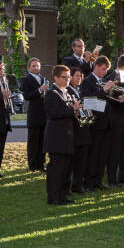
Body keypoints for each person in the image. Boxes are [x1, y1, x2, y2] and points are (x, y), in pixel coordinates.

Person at [44, 65, 80, 205]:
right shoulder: (52, 93)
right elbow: (54, 114)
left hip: (67, 136)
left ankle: (63, 196)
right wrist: (73, 110)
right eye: (64, 77)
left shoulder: (66, 92)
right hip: (56, 138)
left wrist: (76, 111)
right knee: (56, 169)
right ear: (56, 78)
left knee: (66, 169)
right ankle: (53, 197)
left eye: (68, 77)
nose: (67, 80)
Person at [80, 55, 117, 190]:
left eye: (106, 69)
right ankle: (89, 183)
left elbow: (108, 100)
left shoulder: (104, 80)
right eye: (102, 69)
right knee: (94, 154)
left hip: (107, 122)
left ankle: (98, 181)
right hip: (95, 123)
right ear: (95, 66)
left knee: (103, 154)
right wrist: (104, 90)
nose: (105, 72)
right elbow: (87, 100)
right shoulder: (87, 81)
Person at [106, 55, 124, 187]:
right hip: (117, 119)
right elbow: (115, 99)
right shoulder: (113, 76)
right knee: (115, 150)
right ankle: (112, 179)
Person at [20, 57, 50, 172]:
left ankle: (41, 163)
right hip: (33, 113)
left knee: (42, 141)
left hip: (44, 114)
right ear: (29, 67)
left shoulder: (43, 79)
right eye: (33, 66)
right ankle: (32, 164)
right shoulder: (26, 79)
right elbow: (26, 95)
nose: (36, 68)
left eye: (37, 66)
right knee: (33, 141)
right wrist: (39, 90)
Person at [67, 67, 92, 192]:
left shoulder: (79, 90)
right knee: (76, 161)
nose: (79, 78)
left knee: (82, 159)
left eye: (80, 76)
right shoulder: (68, 90)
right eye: (76, 76)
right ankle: (75, 185)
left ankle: (79, 184)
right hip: (75, 130)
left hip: (83, 129)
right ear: (70, 77)